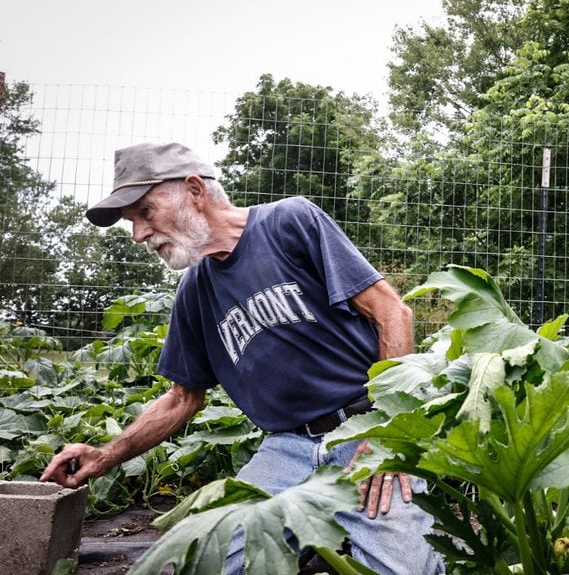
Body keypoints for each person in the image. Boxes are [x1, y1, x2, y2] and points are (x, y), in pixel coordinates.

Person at [40, 142, 442, 574]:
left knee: (403, 570)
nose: (138, 234)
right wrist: (106, 455)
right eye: (131, 222)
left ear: (194, 189)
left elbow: (392, 313)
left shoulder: (289, 222)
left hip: (366, 430)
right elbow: (181, 399)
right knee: (198, 565)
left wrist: (389, 431)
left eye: (144, 212)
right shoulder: (194, 291)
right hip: (286, 451)